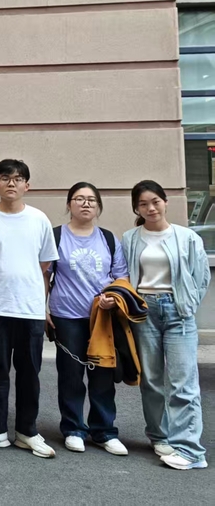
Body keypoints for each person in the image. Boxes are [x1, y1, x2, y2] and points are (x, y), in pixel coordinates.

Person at [0, 159, 58, 459]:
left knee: (29, 373)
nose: (12, 183)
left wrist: (40, 303)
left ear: (27, 185)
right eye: (5, 177)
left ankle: (27, 431)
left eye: (18, 178)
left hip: (29, 309)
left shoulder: (39, 219)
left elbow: (44, 264)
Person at [122, 180, 210, 470]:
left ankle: (190, 451)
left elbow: (201, 277)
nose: (151, 208)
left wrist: (188, 304)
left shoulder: (187, 237)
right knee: (151, 380)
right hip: (144, 312)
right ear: (136, 208)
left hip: (178, 311)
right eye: (143, 204)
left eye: (155, 201)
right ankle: (160, 437)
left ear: (165, 202)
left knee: (183, 381)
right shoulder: (130, 238)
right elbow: (126, 275)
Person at [47, 182, 129, 456]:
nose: (86, 204)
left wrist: (113, 298)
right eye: (79, 199)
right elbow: (44, 275)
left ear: (98, 206)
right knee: (71, 376)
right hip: (66, 316)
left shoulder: (108, 239)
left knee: (103, 376)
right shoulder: (57, 236)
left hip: (102, 318)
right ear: (69, 204)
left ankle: (104, 431)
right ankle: (73, 429)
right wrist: (42, 310)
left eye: (91, 200)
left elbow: (121, 277)